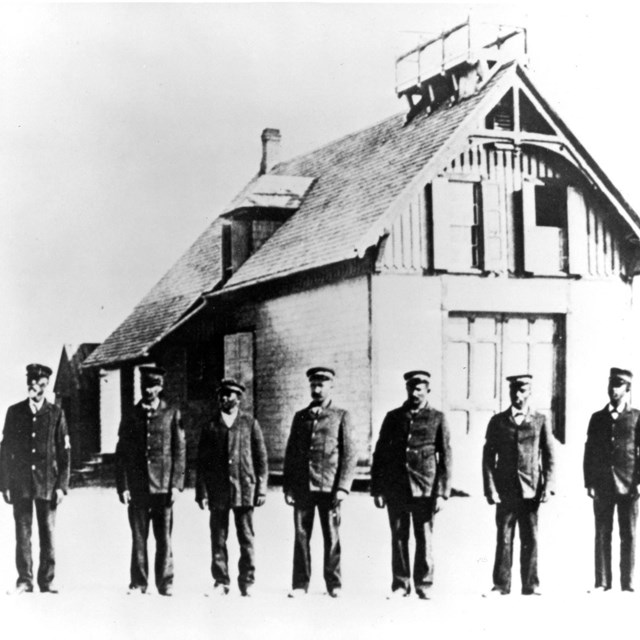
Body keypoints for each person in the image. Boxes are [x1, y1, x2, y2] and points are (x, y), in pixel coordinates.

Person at [371, 370, 452, 600]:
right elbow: (380, 454)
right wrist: (378, 489)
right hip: (396, 488)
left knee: (424, 537)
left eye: (419, 389)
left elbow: (446, 456)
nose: (415, 393)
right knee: (398, 537)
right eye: (411, 388)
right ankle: (400, 585)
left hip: (425, 489)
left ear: (428, 390)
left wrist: (442, 493)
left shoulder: (438, 418)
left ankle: (424, 585)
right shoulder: (393, 417)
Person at [283, 367, 357, 598]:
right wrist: (289, 487)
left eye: (321, 385)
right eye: (313, 385)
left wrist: (343, 487)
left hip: (330, 487)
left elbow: (349, 454)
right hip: (303, 487)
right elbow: (291, 454)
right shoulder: (300, 417)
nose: (316, 389)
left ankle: (334, 584)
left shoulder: (341, 415)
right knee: (301, 536)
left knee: (332, 537)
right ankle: (300, 584)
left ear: (331, 386)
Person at [482, 374, 555, 597]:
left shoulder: (540, 420)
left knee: (530, 538)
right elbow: (487, 458)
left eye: (523, 390)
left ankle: (531, 585)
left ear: (530, 392)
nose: (518, 395)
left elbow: (549, 455)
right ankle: (501, 585)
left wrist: (549, 486)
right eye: (514, 390)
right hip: (505, 492)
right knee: (504, 538)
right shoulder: (498, 421)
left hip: (531, 490)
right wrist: (491, 489)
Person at [115, 365, 186, 596]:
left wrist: (176, 484)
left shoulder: (171, 413)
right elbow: (122, 453)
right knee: (138, 537)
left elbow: (179, 451)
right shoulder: (131, 415)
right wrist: (123, 486)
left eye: (153, 386)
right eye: (145, 386)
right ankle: (138, 583)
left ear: (161, 387)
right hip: (138, 487)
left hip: (164, 486)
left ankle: (166, 582)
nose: (149, 391)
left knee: (164, 538)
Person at [0, 363, 70, 595]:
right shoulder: (14, 412)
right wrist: (4, 484)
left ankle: (47, 581)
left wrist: (62, 486)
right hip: (21, 483)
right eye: (30, 381)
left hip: (48, 483)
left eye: (38, 383)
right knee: (22, 533)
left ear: (46, 385)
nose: (33, 386)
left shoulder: (56, 413)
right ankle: (24, 581)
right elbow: (5, 450)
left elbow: (64, 451)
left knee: (48, 533)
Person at [196, 378, 268, 597]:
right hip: (218, 491)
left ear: (238, 398)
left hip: (244, 490)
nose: (224, 398)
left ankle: (248, 582)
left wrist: (261, 488)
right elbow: (201, 463)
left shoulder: (250, 423)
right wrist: (202, 492)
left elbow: (261, 459)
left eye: (228, 394)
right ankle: (221, 581)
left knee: (246, 538)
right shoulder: (210, 426)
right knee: (218, 537)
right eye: (221, 394)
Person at [583, 367, 640, 593]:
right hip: (603, 485)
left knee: (629, 534)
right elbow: (589, 452)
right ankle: (602, 582)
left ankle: (627, 583)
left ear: (627, 389)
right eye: (611, 385)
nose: (613, 390)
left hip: (629, 485)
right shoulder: (597, 418)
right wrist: (589, 482)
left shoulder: (636, 417)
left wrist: (638, 481)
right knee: (602, 533)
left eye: (618, 386)